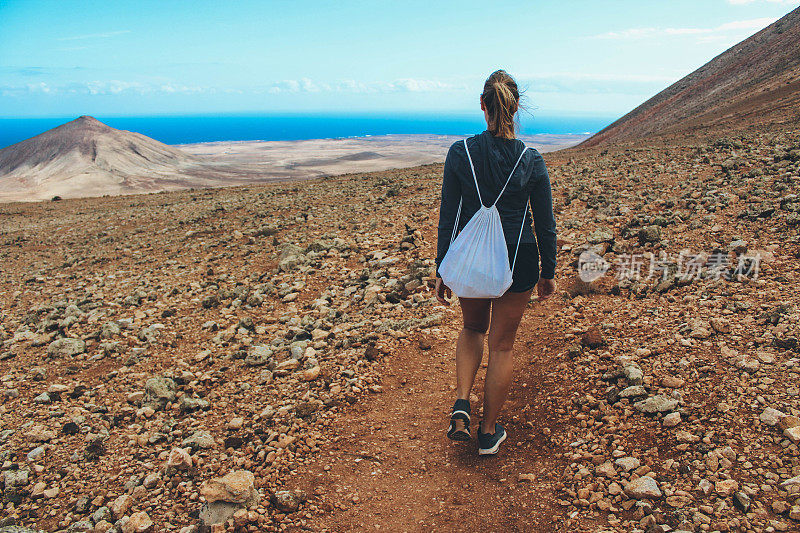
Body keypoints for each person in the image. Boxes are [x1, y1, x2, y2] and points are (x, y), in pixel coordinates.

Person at [435, 69, 557, 455]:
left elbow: (450, 215)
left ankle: (460, 403)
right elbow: (545, 222)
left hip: (473, 260)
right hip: (518, 259)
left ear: (483, 106)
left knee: (472, 328)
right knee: (502, 346)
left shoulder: (461, 153)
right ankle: (488, 433)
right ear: (516, 107)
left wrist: (443, 266)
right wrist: (548, 272)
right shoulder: (531, 159)